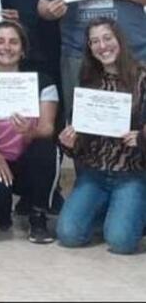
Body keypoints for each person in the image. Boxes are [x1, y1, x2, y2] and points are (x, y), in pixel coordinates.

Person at [0, 21, 59, 243]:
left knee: (45, 148)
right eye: (0, 41)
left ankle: (38, 216)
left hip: (28, 158)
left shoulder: (43, 82)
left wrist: (30, 131)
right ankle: (2, 206)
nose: (7, 47)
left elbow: (48, 129)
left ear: (23, 50)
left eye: (14, 42)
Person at [56, 17, 146, 254]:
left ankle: (127, 211)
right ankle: (111, 209)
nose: (102, 46)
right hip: (94, 173)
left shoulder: (142, 78)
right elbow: (81, 137)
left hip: (133, 173)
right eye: (94, 41)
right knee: (68, 235)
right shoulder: (87, 81)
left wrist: (141, 137)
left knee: (121, 242)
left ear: (119, 40)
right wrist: (69, 143)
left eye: (107, 38)